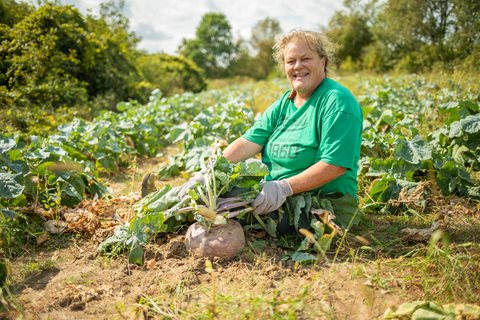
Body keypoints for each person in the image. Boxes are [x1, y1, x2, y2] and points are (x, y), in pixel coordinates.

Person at [222, 30, 363, 224]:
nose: (298, 66)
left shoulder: (337, 101)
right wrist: (212, 172)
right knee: (218, 195)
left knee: (221, 210)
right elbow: (249, 141)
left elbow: (334, 165)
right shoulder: (285, 102)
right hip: (276, 196)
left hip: (321, 207)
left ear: (323, 62)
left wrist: (284, 188)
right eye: (291, 61)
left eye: (306, 58)